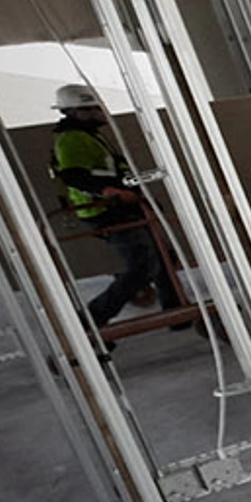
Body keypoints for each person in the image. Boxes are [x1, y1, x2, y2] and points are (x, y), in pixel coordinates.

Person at [48, 82, 179, 332]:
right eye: (94, 107)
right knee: (143, 267)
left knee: (162, 257)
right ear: (79, 111)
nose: (101, 111)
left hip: (119, 206)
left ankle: (176, 310)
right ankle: (89, 321)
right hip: (106, 210)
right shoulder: (73, 139)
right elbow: (75, 176)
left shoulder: (89, 136)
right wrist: (111, 192)